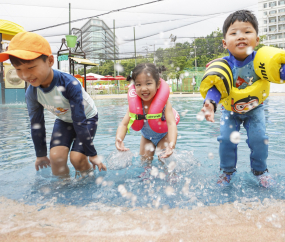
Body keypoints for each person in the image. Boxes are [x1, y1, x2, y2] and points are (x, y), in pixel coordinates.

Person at [0, 32, 106, 176]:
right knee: (56, 159)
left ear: (50, 61)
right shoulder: (32, 93)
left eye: (31, 68)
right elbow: (36, 124)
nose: (25, 75)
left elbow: (79, 120)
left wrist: (92, 154)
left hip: (86, 119)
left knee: (77, 158)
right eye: (18, 69)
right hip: (64, 120)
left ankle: (88, 183)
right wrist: (40, 154)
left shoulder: (69, 84)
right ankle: (64, 190)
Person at [200, 10, 285, 187]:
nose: (241, 37)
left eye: (247, 32)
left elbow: (278, 72)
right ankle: (226, 172)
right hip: (230, 111)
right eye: (234, 33)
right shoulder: (224, 65)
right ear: (225, 43)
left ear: (257, 39)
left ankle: (260, 171)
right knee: (225, 139)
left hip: (255, 109)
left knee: (259, 138)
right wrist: (210, 103)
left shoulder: (261, 62)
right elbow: (216, 87)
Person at [115, 63, 178, 163]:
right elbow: (124, 124)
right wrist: (119, 138)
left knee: (164, 161)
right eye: (138, 85)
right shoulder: (135, 105)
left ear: (157, 85)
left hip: (164, 136)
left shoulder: (164, 104)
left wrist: (172, 143)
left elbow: (171, 124)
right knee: (144, 162)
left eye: (148, 83)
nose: (144, 88)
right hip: (146, 138)